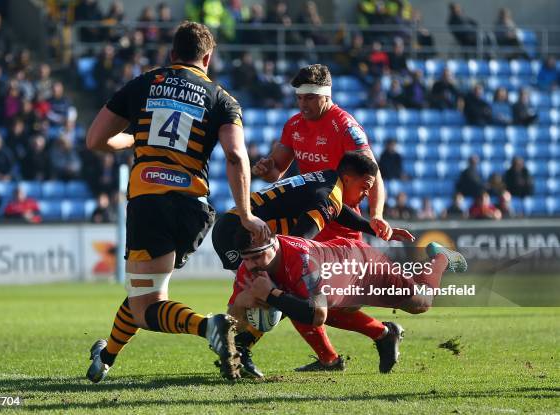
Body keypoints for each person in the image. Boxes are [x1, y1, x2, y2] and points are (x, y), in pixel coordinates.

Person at [84, 21, 269, 383]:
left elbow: (95, 139)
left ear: (171, 55)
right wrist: (245, 212)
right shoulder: (221, 98)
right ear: (207, 57)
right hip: (192, 207)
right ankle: (105, 357)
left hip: (149, 199)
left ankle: (208, 327)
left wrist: (136, 139)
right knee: (145, 291)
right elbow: (235, 155)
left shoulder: (145, 83)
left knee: (147, 305)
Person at [214, 154, 414, 377]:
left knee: (284, 298)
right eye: (365, 186)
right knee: (277, 296)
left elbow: (336, 210)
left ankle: (358, 345)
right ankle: (240, 349)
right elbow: (300, 241)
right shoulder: (329, 195)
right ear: (347, 179)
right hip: (244, 236)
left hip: (231, 226)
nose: (367, 194)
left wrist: (372, 228)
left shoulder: (325, 178)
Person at [250, 64, 392, 372]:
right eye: (299, 98)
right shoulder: (294, 125)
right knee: (296, 292)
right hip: (311, 221)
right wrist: (265, 169)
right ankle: (338, 354)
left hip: (341, 224)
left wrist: (377, 214)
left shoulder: (345, 127)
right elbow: (278, 169)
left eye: (310, 98)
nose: (303, 104)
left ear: (326, 95)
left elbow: (374, 174)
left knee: (323, 305)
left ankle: (381, 334)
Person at [229, 229, 467, 373]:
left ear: (274, 246)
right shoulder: (248, 268)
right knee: (296, 302)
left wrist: (271, 296)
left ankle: (441, 257)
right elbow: (233, 315)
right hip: (336, 286)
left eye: (258, 256)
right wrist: (242, 300)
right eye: (247, 259)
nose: (252, 265)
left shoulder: (303, 261)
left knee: (421, 302)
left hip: (362, 265)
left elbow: (316, 316)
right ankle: (384, 335)